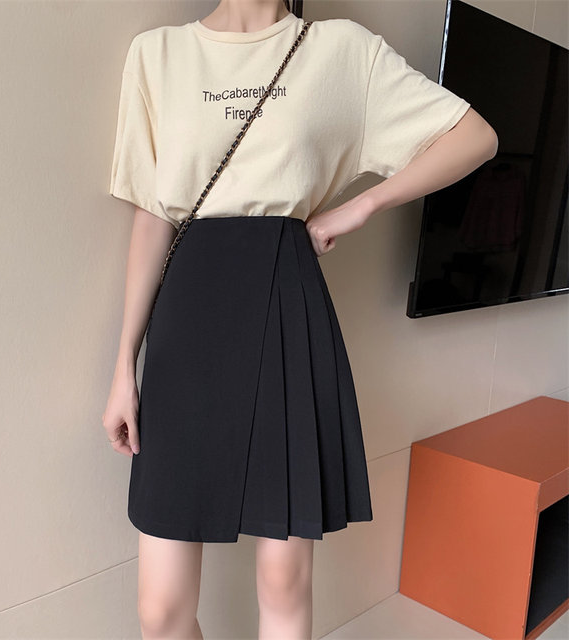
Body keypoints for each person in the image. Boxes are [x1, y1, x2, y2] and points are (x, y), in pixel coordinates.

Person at [102, 0, 498, 637]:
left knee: (283, 579)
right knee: (160, 608)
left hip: (284, 309)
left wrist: (361, 206)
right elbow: (152, 218)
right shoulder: (158, 54)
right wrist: (124, 365)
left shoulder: (340, 51)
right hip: (187, 319)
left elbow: (475, 136)